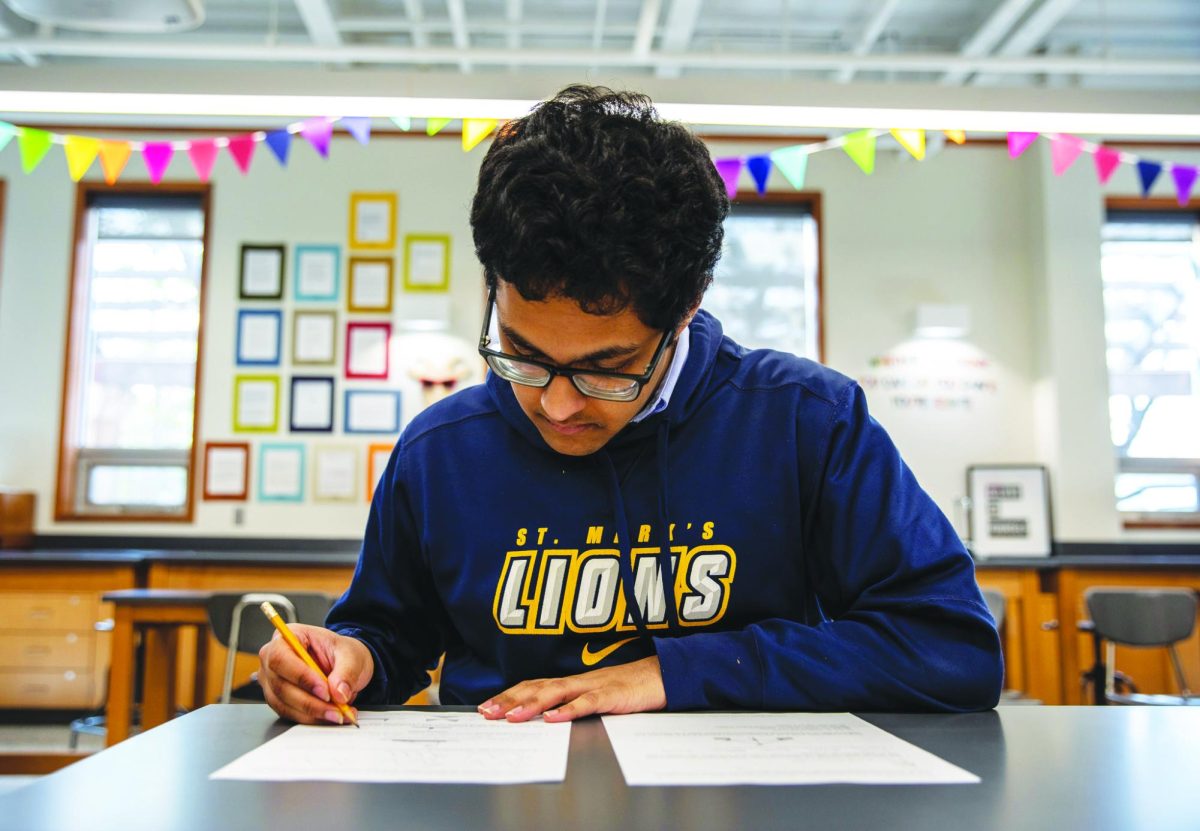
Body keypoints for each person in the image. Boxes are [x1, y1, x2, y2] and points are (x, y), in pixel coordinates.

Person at [258, 85, 1002, 726]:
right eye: (521, 352)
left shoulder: (806, 420)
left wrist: (674, 672)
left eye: (604, 370)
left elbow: (949, 648)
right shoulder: (441, 449)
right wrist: (344, 658)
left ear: (685, 310)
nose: (552, 404)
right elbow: (389, 637)